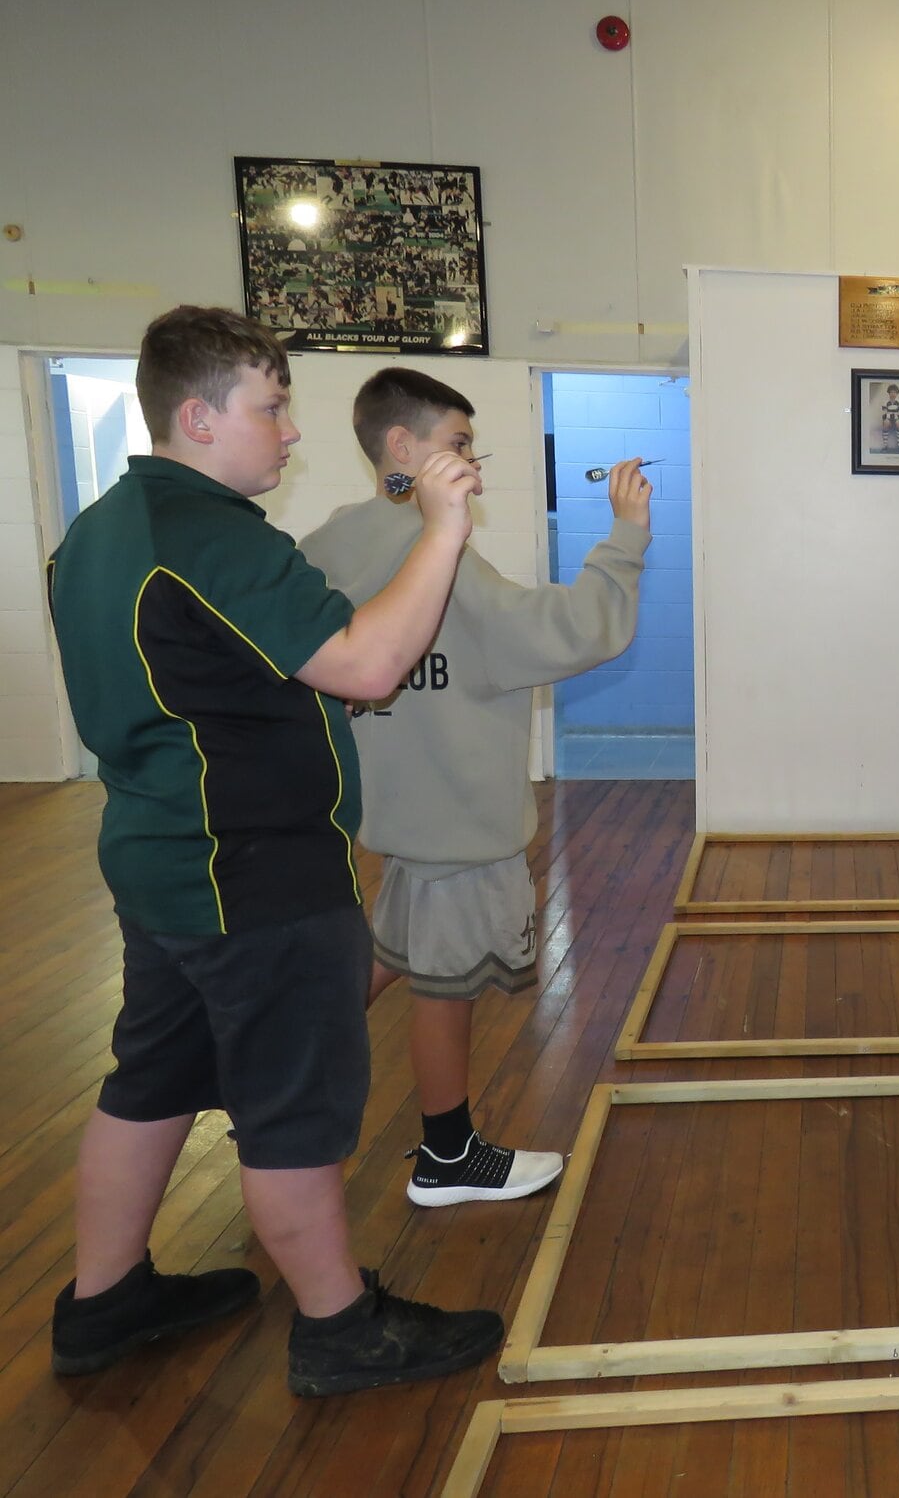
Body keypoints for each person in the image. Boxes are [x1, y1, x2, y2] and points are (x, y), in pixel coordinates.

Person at [44, 306, 504, 1398]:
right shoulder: (210, 535)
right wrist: (442, 526)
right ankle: (339, 1328)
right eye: (273, 407)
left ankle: (104, 1301)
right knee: (293, 1109)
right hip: (258, 881)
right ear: (199, 418)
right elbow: (368, 666)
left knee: (152, 1081)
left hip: (162, 866)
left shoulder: (98, 529)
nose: (291, 432)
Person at [300, 369, 651, 1209]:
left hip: (398, 811)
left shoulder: (324, 548)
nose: (475, 470)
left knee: (393, 955)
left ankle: (277, 1072)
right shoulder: (440, 554)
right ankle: (447, 1156)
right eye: (458, 446)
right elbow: (566, 631)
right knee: (445, 985)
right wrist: (626, 536)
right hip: (455, 815)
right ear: (402, 447)